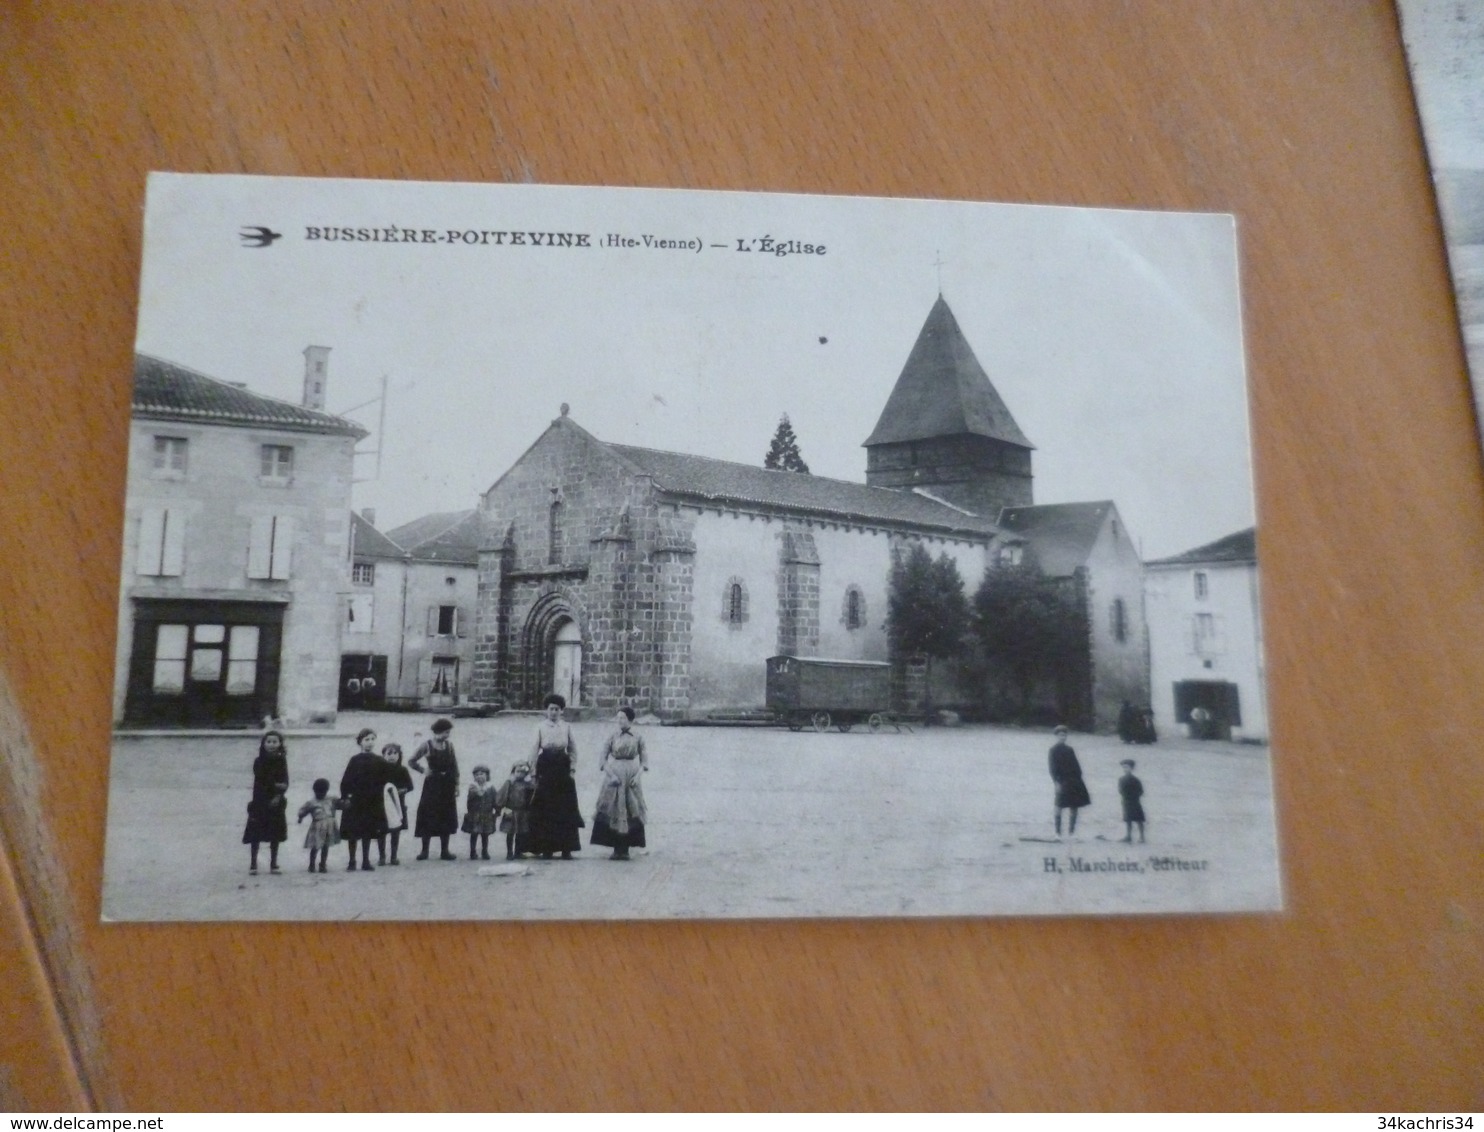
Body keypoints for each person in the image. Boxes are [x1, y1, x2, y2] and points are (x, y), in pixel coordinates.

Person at [526, 693, 583, 859]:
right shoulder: (540, 727)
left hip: (562, 769)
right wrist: (534, 773)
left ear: (561, 711)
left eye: (557, 709)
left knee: (566, 807)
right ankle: (547, 848)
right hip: (546, 768)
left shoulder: (566, 727)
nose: (553, 712)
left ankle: (567, 848)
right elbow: (533, 750)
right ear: (546, 710)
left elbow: (573, 749)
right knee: (546, 808)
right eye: (551, 709)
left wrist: (572, 769)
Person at [590, 706, 648, 860]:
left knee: (630, 808)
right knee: (614, 808)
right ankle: (616, 848)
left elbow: (644, 761)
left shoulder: (638, 737)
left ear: (630, 719)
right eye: (618, 718)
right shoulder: (612, 736)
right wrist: (611, 775)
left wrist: (638, 776)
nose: (620, 721)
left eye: (623, 718)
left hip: (631, 777)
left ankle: (626, 849)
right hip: (614, 776)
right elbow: (603, 759)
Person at [339, 727, 389, 871]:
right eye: (366, 740)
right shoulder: (354, 760)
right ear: (360, 742)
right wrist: (346, 797)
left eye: (372, 739)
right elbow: (346, 781)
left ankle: (366, 860)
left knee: (368, 831)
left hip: (372, 801)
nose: (370, 743)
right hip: (356, 801)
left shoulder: (379, 760)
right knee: (353, 832)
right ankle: (352, 860)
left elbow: (385, 779)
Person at [410, 718, 460, 860]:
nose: (447, 735)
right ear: (437, 732)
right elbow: (411, 761)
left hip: (447, 785)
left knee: (446, 816)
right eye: (445, 732)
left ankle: (445, 851)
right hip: (432, 785)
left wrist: (456, 785)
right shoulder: (426, 745)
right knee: (428, 815)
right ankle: (424, 851)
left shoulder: (449, 746)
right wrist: (423, 770)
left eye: (448, 732)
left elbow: (455, 767)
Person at [242, 730, 290, 875]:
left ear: (280, 744)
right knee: (255, 834)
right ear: (263, 744)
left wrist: (279, 795)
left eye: (275, 742)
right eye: (268, 742)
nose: (271, 744)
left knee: (275, 834)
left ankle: (273, 863)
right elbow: (263, 780)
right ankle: (253, 864)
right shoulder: (259, 761)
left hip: (276, 803)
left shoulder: (282, 760)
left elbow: (286, 780)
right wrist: (277, 787)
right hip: (260, 801)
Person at [1048, 724, 1091, 838]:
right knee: (1058, 806)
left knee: (1074, 806)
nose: (1063, 737)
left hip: (1074, 781)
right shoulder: (1053, 750)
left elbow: (1076, 766)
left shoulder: (1070, 749)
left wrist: (1078, 780)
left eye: (1064, 735)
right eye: (1060, 735)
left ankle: (1071, 832)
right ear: (1056, 736)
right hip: (1062, 781)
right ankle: (1057, 832)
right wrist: (1056, 782)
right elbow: (1052, 769)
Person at [378, 742, 414, 866]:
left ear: (399, 755)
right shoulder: (380, 770)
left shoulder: (402, 770)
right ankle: (382, 856)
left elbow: (410, 786)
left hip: (398, 804)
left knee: (395, 831)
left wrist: (400, 791)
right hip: (383, 805)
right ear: (383, 755)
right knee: (382, 831)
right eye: (389, 753)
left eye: (395, 753)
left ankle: (394, 856)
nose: (392, 756)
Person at [296, 778, 340, 873]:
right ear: (314, 791)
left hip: (329, 825)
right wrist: (300, 817)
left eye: (323, 792)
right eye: (318, 792)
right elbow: (303, 811)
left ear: (326, 791)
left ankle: (323, 864)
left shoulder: (331, 799)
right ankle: (312, 864)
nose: (320, 794)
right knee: (315, 846)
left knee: (325, 846)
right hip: (317, 826)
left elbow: (340, 804)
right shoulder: (312, 802)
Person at [496, 760, 535, 860]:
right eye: (517, 771)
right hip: (510, 810)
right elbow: (502, 796)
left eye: (523, 772)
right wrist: (499, 808)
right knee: (510, 832)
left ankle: (518, 851)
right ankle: (509, 852)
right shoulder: (509, 783)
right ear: (513, 772)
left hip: (522, 811)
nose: (520, 774)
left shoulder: (528, 785)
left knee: (520, 833)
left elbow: (532, 794)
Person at [462, 765, 500, 860]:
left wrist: (497, 811)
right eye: (477, 775)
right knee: (474, 834)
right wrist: (470, 812)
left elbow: (496, 800)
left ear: (487, 775)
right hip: (475, 814)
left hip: (487, 814)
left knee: (485, 835)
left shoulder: (491, 788)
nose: (479, 776)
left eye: (482, 774)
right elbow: (469, 802)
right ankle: (472, 851)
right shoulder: (473, 788)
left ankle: (485, 851)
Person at [1118, 758, 1146, 843]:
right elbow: (1120, 790)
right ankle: (1128, 836)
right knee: (1128, 819)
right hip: (1126, 801)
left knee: (1139, 820)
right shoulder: (1121, 779)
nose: (1125, 769)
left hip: (1135, 801)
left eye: (1127, 767)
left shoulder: (1136, 780)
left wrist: (1135, 796)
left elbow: (1141, 791)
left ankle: (1142, 837)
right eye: (1124, 767)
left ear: (1131, 768)